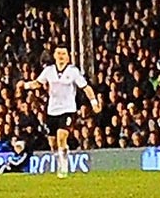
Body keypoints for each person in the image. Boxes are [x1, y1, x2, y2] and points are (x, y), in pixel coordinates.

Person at [20, 43, 100, 178]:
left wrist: (94, 102)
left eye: (64, 54)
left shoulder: (73, 71)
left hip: (68, 109)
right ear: (54, 56)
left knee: (61, 136)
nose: (61, 56)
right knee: (53, 143)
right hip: (52, 110)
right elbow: (38, 83)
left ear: (68, 57)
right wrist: (26, 85)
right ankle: (59, 159)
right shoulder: (49, 71)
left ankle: (63, 166)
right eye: (59, 54)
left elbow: (86, 87)